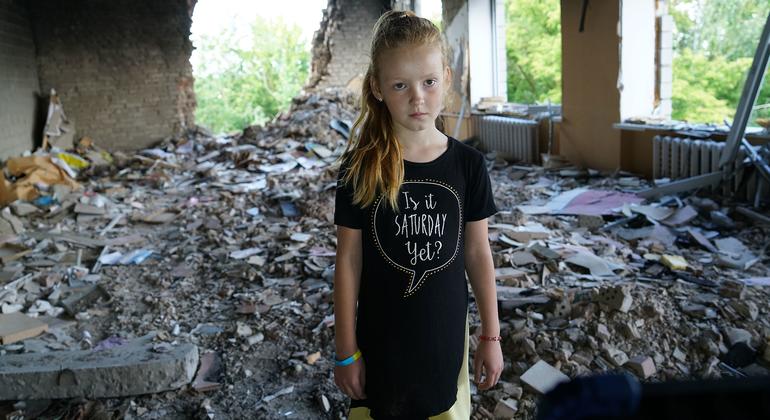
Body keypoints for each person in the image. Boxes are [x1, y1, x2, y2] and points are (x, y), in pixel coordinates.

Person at [333, 10, 503, 419]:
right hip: (381, 347)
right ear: (377, 88)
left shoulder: (468, 165)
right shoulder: (361, 166)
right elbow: (348, 262)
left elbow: (478, 254)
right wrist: (345, 351)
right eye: (399, 85)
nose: (417, 98)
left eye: (428, 82)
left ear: (446, 76)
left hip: (443, 345)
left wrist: (491, 336)